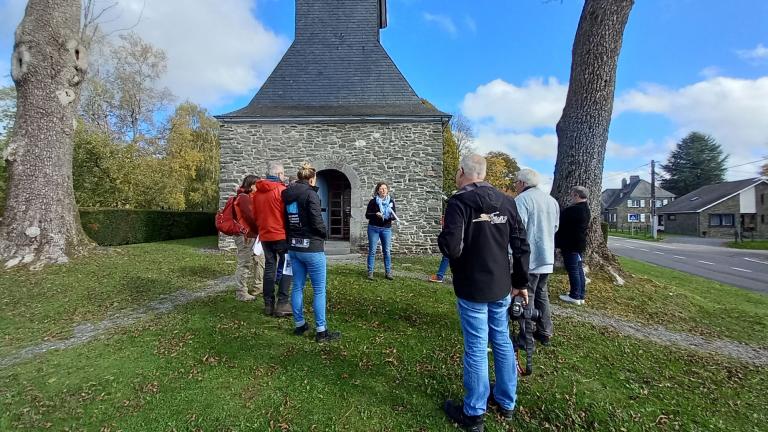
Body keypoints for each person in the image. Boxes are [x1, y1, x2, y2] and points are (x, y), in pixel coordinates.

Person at [438, 154, 531, 431]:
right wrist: (520, 282)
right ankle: (506, 401)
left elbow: (452, 247)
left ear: (462, 171)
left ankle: (474, 412)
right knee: (501, 340)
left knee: (478, 346)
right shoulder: (507, 201)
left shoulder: (459, 202)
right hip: (501, 283)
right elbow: (521, 244)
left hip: (472, 286)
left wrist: (443, 237)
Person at [282, 163, 341, 343]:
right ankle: (321, 331)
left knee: (297, 286)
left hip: (294, 246)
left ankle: (299, 324)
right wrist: (324, 233)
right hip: (312, 247)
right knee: (319, 290)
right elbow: (316, 221)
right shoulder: (311, 194)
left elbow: (285, 220)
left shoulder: (286, 195)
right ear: (311, 179)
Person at [513, 169, 560, 346]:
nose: (515, 185)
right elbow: (555, 226)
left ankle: (526, 337)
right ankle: (545, 331)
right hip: (547, 255)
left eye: (516, 182)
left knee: (527, 295)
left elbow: (518, 229)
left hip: (530, 256)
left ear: (523, 183)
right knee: (541, 293)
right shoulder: (551, 201)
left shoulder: (522, 200)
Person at [253, 161, 292, 317]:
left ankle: (268, 304)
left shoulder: (257, 194)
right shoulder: (282, 191)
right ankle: (282, 302)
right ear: (278, 174)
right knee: (287, 266)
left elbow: (255, 216)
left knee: (270, 267)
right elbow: (287, 215)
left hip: (265, 235)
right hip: (281, 234)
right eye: (282, 173)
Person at [555, 186, 591, 305]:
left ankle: (575, 295)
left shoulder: (574, 210)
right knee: (578, 269)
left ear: (577, 195)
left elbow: (561, 224)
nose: (571, 197)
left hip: (571, 244)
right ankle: (580, 295)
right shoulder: (586, 209)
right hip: (578, 244)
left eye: (572, 194)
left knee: (573, 270)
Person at [233, 175, 265, 301]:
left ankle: (258, 287)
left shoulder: (249, 197)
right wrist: (260, 228)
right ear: (251, 185)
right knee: (245, 263)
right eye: (257, 184)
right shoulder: (243, 198)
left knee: (260, 260)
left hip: (254, 235)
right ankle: (241, 292)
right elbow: (250, 217)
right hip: (245, 235)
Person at [365, 182, 397, 280]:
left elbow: (394, 216)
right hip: (373, 228)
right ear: (377, 190)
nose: (383, 190)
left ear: (387, 190)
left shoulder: (391, 202)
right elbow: (367, 215)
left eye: (385, 189)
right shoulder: (373, 201)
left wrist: (390, 216)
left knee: (387, 251)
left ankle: (388, 272)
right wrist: (375, 214)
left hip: (386, 229)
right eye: (381, 189)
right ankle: (370, 272)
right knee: (372, 251)